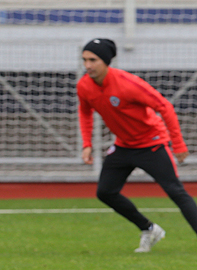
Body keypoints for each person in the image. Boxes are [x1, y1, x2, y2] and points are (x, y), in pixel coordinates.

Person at [78, 38, 197, 252]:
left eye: (93, 60)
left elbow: (165, 106)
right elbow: (85, 111)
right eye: (85, 59)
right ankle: (149, 228)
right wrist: (87, 143)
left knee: (176, 192)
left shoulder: (128, 84)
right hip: (123, 146)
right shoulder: (84, 85)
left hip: (152, 144)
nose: (87, 65)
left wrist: (177, 143)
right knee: (105, 192)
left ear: (106, 61)